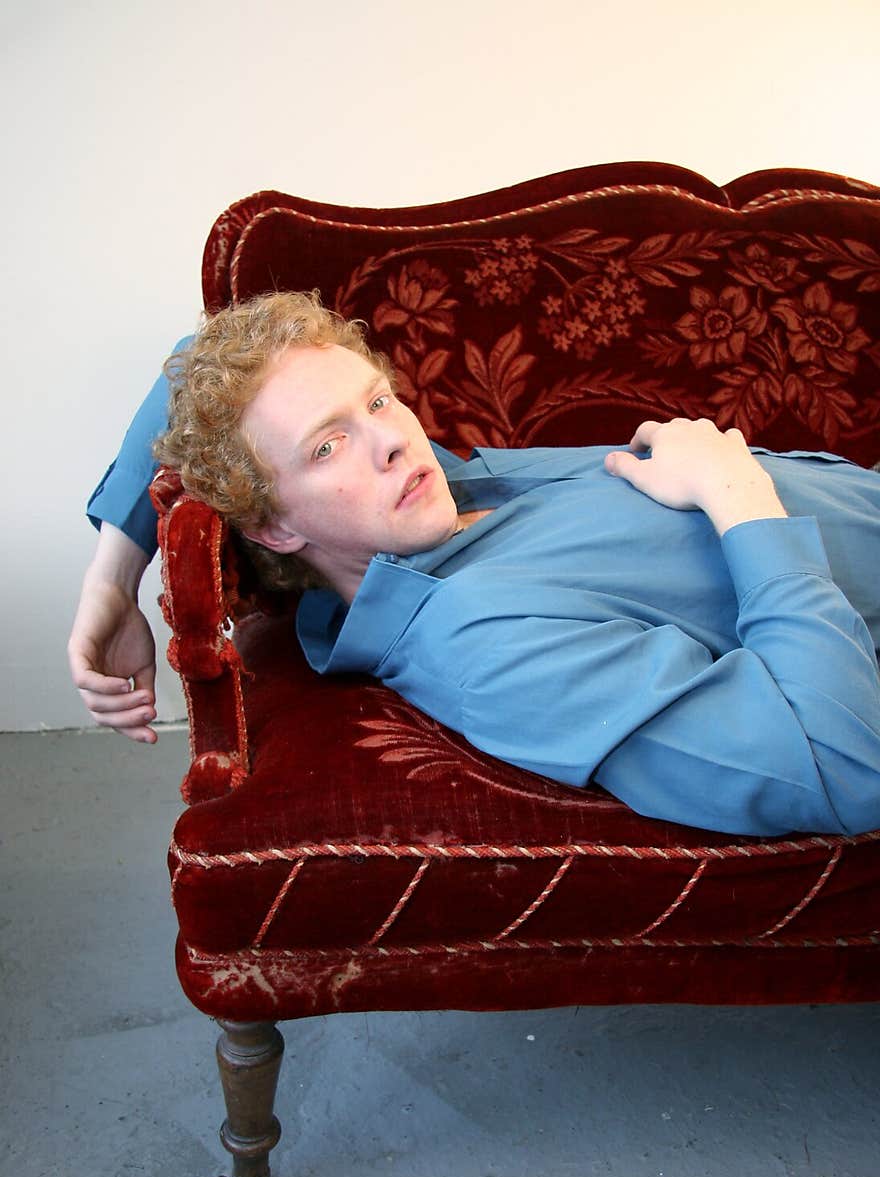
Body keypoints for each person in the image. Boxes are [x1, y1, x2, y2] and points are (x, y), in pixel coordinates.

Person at [68, 291, 880, 837]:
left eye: (378, 400)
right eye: (328, 444)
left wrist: (110, 582)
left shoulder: (434, 500)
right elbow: (846, 771)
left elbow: (193, 360)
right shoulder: (482, 642)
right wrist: (738, 497)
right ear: (274, 528)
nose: (392, 440)